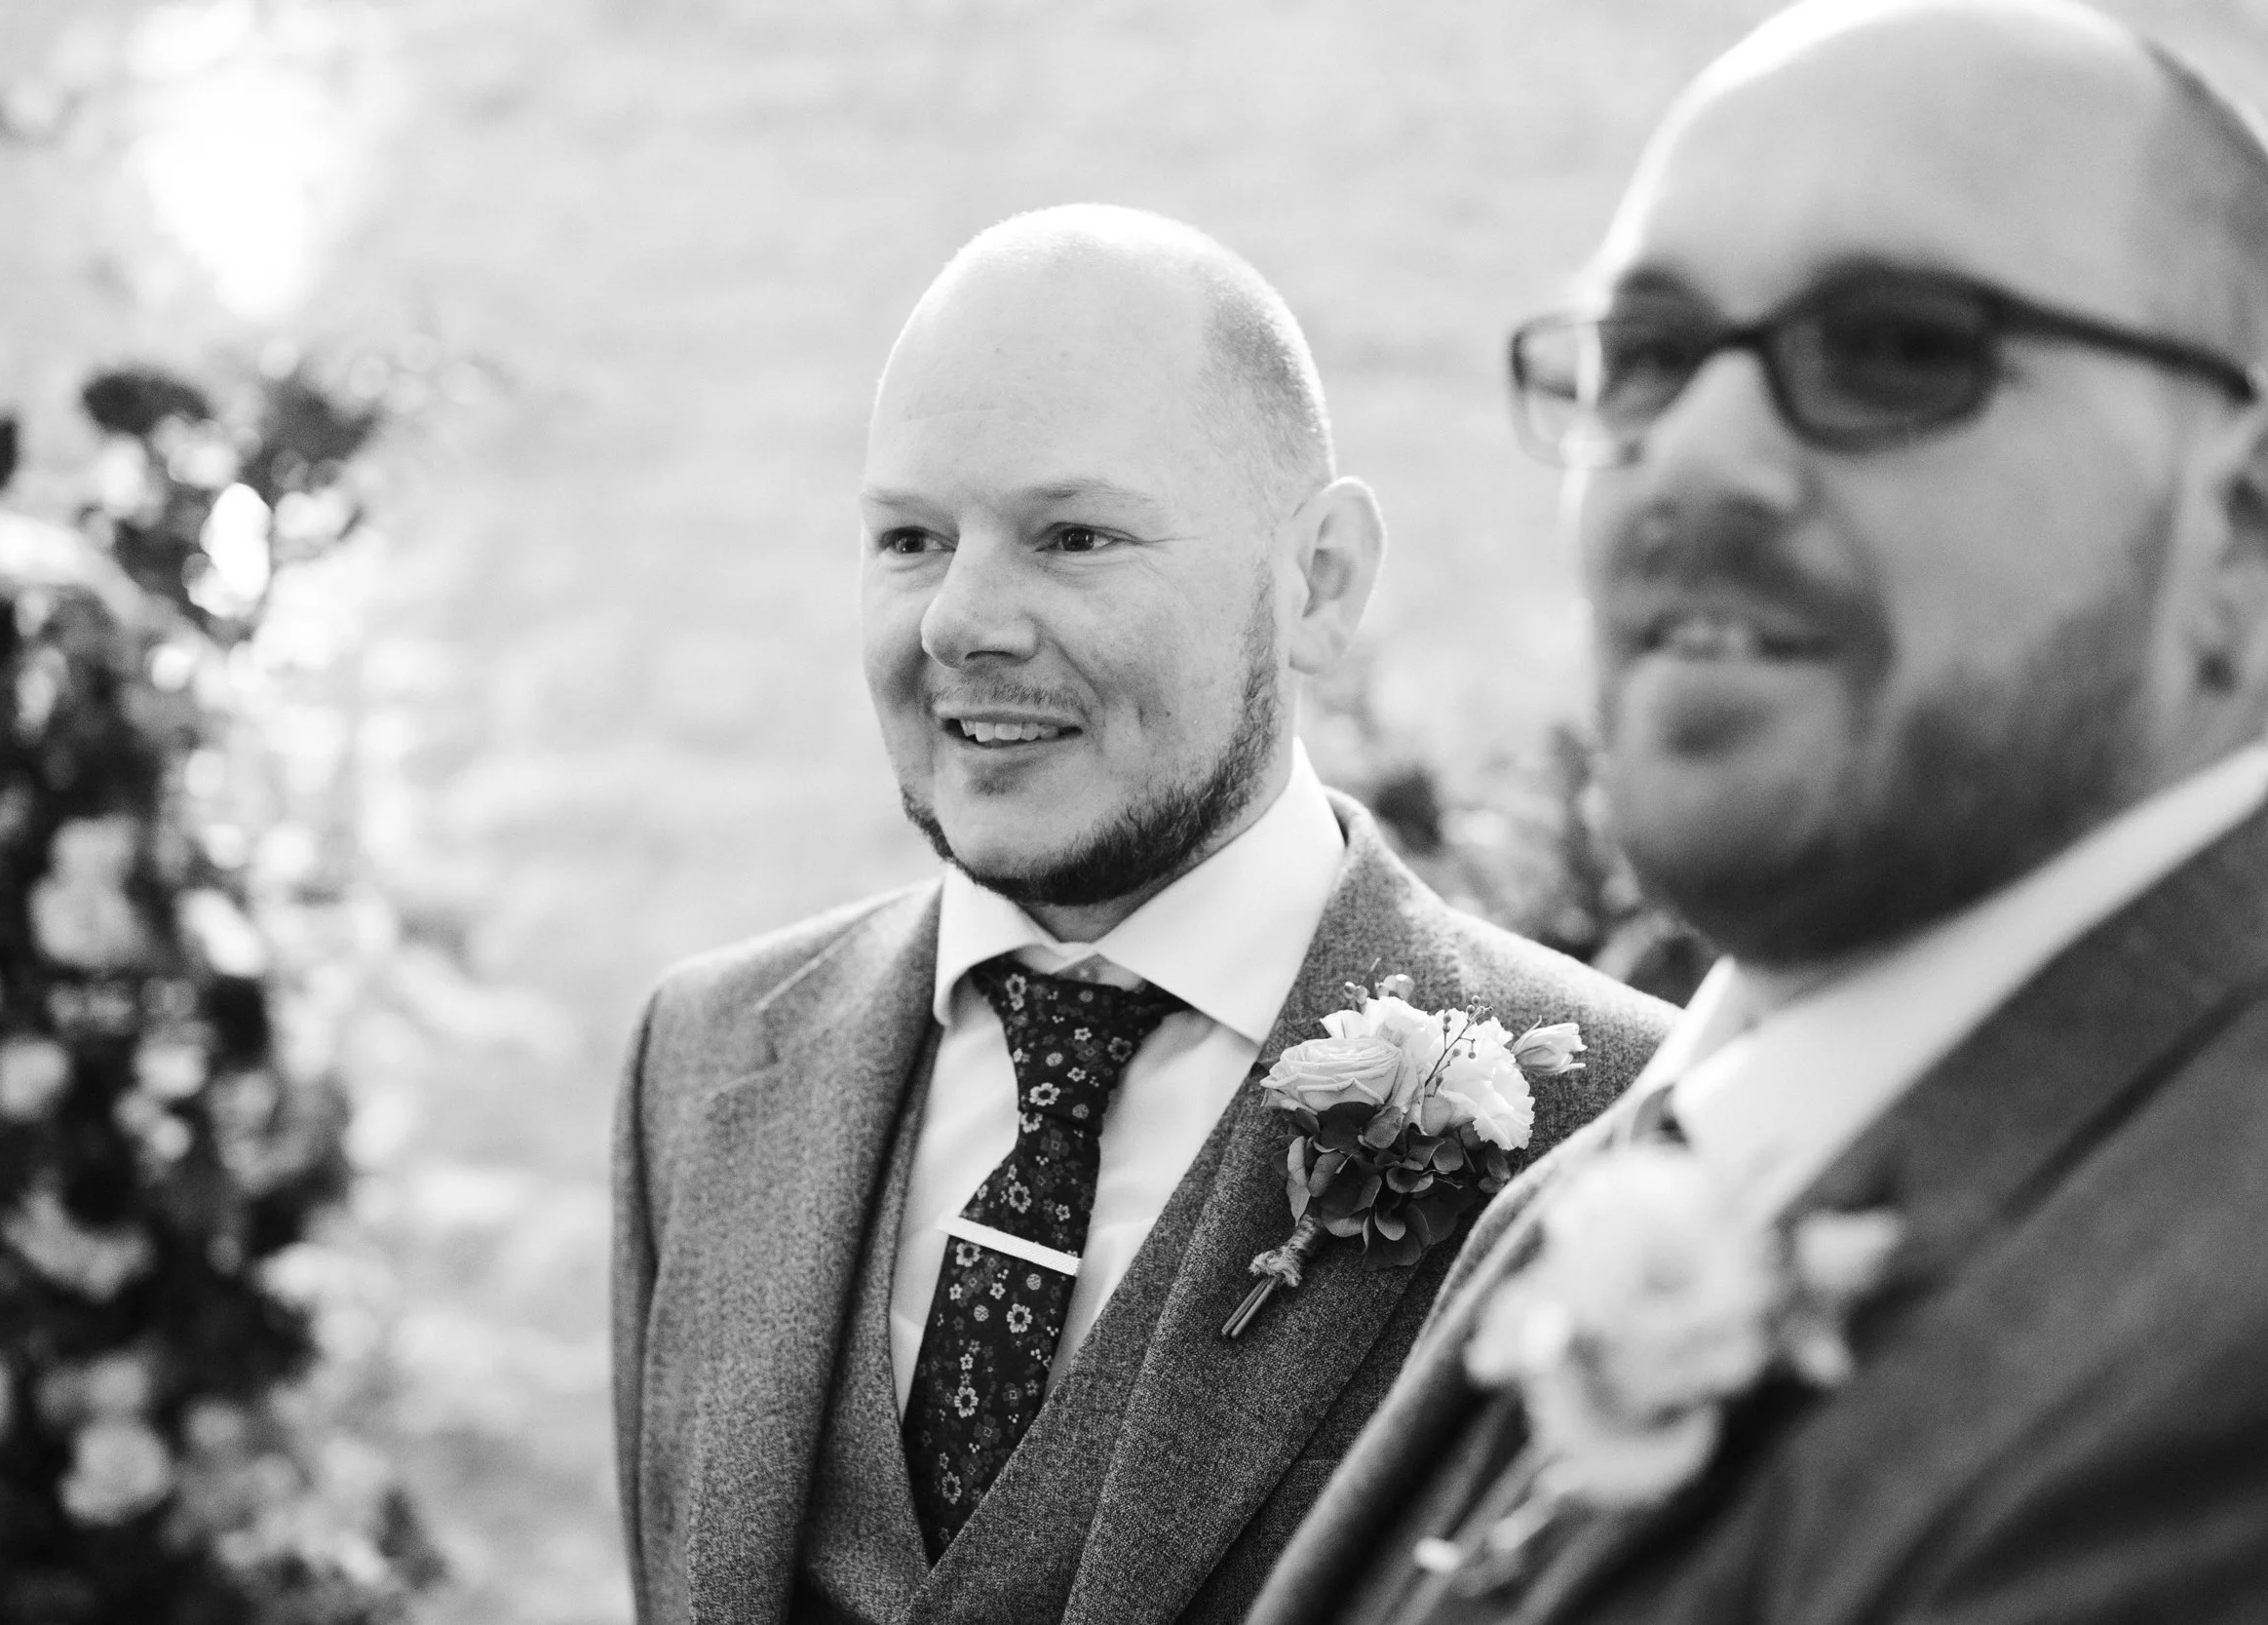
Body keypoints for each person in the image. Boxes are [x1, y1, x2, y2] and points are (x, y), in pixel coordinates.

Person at [1248, 3, 2268, 1622]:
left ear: (2241, 530)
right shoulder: (1636, 1157)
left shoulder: (2216, 1379)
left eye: (1896, 348)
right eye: (1644, 355)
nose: (1695, 454)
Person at [608, 205, 1672, 1624]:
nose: (960, 621)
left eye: (1074, 535)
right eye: (911, 537)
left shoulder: (1619, 1129)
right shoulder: (699, 1063)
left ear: (1320, 580)